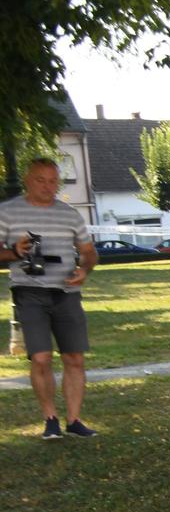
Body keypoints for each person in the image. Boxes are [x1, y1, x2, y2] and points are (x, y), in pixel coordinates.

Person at [0, 159, 99, 439]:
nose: (48, 186)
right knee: (41, 358)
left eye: (54, 181)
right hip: (29, 291)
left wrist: (84, 269)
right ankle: (50, 419)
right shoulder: (7, 212)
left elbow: (90, 252)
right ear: (28, 181)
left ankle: (74, 420)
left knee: (74, 357)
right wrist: (16, 253)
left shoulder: (69, 214)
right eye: (41, 180)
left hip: (67, 292)